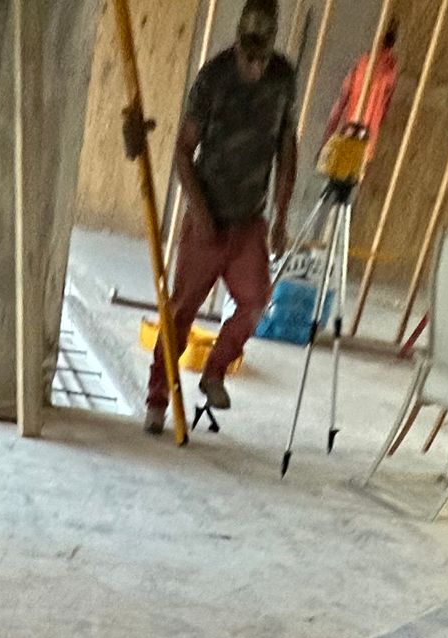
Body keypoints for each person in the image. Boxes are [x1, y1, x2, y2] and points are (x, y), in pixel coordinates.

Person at [145, 0, 299, 434]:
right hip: (207, 216)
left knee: (254, 303)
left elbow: (287, 150)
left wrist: (281, 217)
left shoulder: (283, 79)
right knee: (180, 313)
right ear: (237, 42)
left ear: (270, 47)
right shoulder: (213, 78)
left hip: (248, 220)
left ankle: (214, 371)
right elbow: (181, 150)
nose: (253, 67)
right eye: (247, 57)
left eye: (260, 58)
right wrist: (199, 209)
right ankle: (157, 397)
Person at [323, 20, 399, 153]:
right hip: (366, 142)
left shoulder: (362, 64)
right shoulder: (391, 71)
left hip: (349, 133)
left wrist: (327, 137)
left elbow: (341, 101)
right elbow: (385, 111)